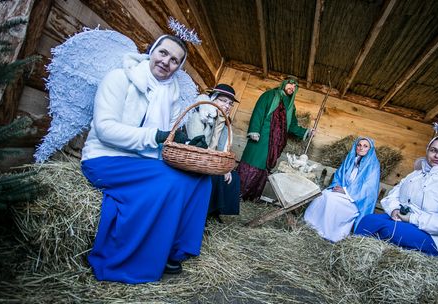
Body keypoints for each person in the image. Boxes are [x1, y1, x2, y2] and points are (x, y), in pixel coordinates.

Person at [80, 34, 212, 283]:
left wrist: (183, 144)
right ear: (152, 51)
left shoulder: (171, 94)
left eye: (174, 60)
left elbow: (167, 139)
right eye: (163, 53)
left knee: (201, 180)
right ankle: (132, 261)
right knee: (169, 182)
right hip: (105, 158)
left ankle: (174, 251)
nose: (166, 62)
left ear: (178, 67)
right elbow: (105, 129)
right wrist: (157, 136)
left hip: (144, 162)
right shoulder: (120, 78)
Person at [355, 135, 438, 258]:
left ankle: (365, 255)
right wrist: (394, 210)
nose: (437, 156)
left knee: (387, 230)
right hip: (405, 222)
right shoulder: (416, 174)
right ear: (428, 151)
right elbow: (393, 195)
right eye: (433, 150)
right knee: (368, 219)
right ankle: (355, 253)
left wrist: (412, 218)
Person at [238, 76, 313, 201]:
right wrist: (255, 131)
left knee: (264, 166)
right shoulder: (270, 95)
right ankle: (238, 193)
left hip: (275, 142)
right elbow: (259, 111)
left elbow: (292, 125)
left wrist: (307, 132)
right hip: (262, 136)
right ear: (284, 83)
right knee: (253, 160)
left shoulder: (290, 106)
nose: (292, 88)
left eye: (295, 87)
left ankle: (251, 197)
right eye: (290, 84)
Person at [304, 137, 380, 242]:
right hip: (343, 192)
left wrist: (346, 191)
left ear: (370, 149)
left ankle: (330, 233)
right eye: (359, 145)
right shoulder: (350, 159)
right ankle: (311, 225)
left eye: (365, 146)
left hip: (356, 199)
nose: (361, 148)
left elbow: (369, 188)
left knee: (332, 200)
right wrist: (336, 186)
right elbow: (339, 175)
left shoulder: (373, 166)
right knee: (324, 194)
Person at [196, 84, 242, 220]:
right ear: (213, 98)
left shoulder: (224, 121)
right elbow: (199, 145)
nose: (227, 105)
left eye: (230, 103)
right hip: (198, 158)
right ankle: (202, 214)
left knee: (233, 177)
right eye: (223, 100)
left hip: (213, 160)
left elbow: (223, 147)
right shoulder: (201, 115)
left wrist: (225, 168)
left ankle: (214, 211)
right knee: (214, 176)